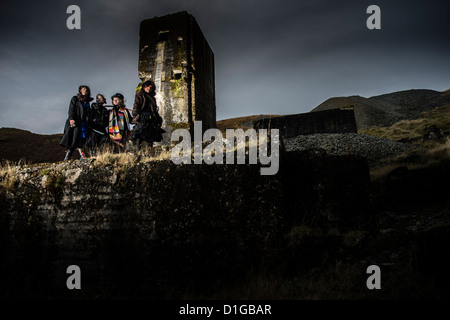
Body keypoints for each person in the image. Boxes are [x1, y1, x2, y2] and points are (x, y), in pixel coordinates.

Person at [60, 85, 93, 160]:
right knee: (74, 139)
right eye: (83, 89)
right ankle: (68, 156)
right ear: (80, 90)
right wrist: (71, 119)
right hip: (76, 122)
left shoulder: (87, 102)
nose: (85, 90)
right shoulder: (75, 99)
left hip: (84, 123)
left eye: (86, 89)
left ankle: (82, 156)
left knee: (82, 139)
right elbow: (71, 109)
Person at [131, 80, 165, 152]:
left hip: (151, 119)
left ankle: (149, 151)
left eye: (151, 87)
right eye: (147, 87)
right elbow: (136, 106)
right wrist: (136, 115)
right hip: (142, 118)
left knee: (151, 136)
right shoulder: (139, 95)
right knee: (139, 134)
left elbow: (154, 110)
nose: (149, 88)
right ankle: (138, 151)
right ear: (144, 87)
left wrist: (158, 118)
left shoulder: (152, 98)